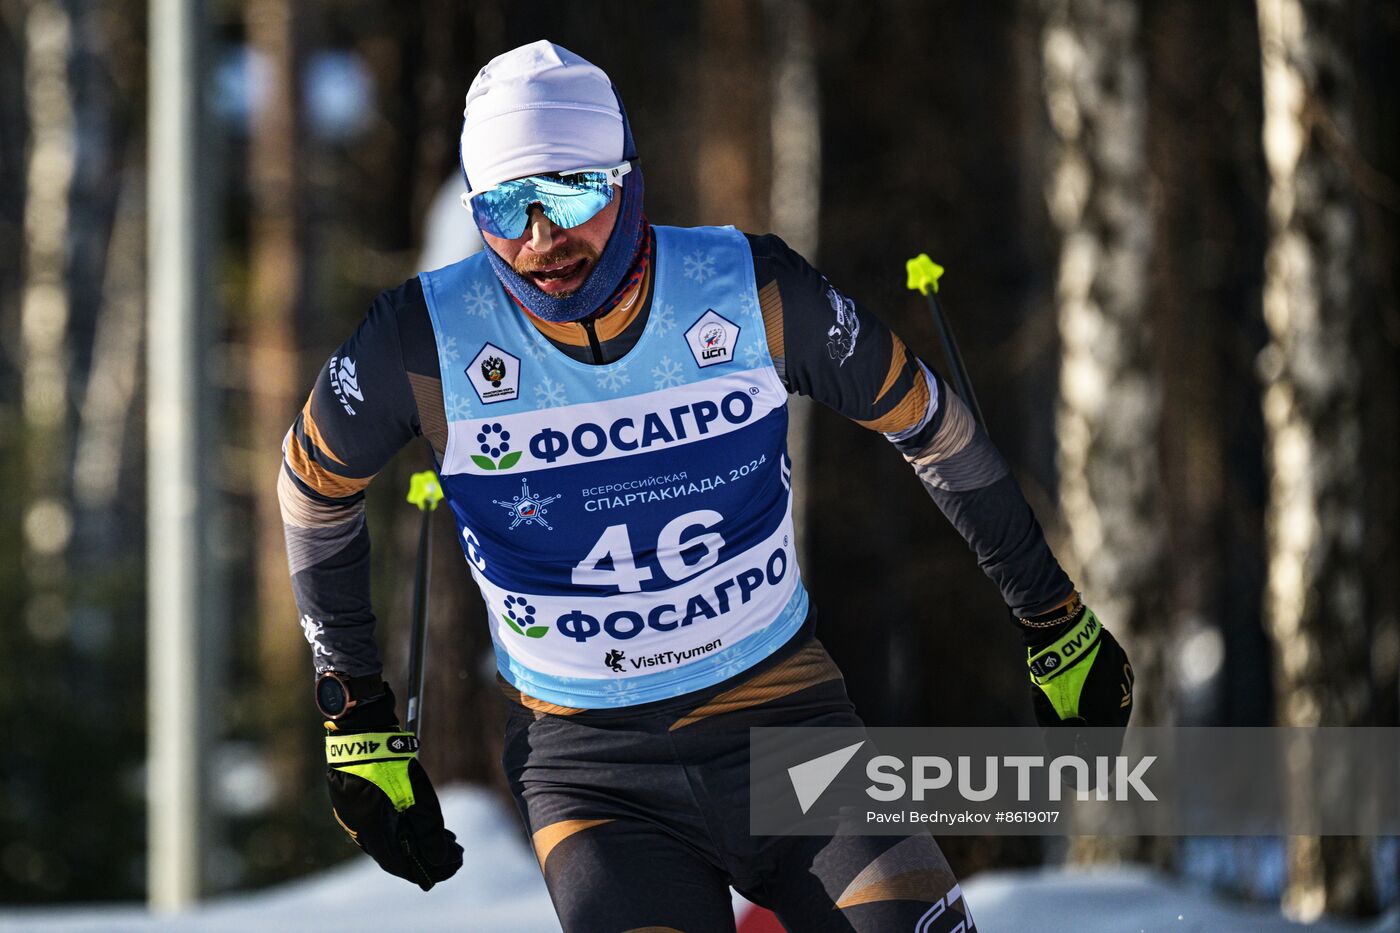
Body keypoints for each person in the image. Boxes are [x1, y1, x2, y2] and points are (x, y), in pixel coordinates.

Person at [280, 40, 1134, 931]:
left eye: (572, 192)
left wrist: (1052, 616)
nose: (541, 238)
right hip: (592, 769)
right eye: (504, 205)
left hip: (785, 726)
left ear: (628, 178)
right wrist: (356, 715)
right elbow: (310, 487)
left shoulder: (749, 289)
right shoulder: (423, 340)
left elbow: (930, 423)